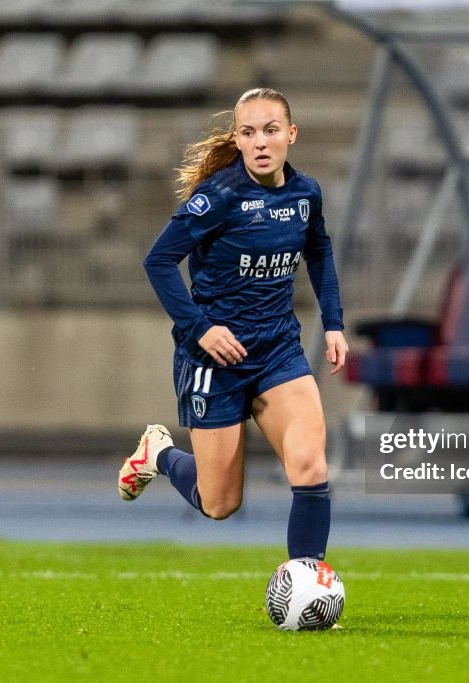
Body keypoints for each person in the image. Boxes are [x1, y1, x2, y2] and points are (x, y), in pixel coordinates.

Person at [117, 87, 348, 562]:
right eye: (249, 132)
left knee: (310, 466)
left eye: (270, 130)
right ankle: (158, 452)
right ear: (238, 140)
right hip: (214, 359)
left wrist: (333, 323)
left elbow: (319, 251)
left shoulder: (306, 193)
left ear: (291, 134)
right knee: (220, 503)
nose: (261, 142)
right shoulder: (218, 197)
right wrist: (200, 328)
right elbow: (158, 262)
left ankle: (308, 583)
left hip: (278, 350)